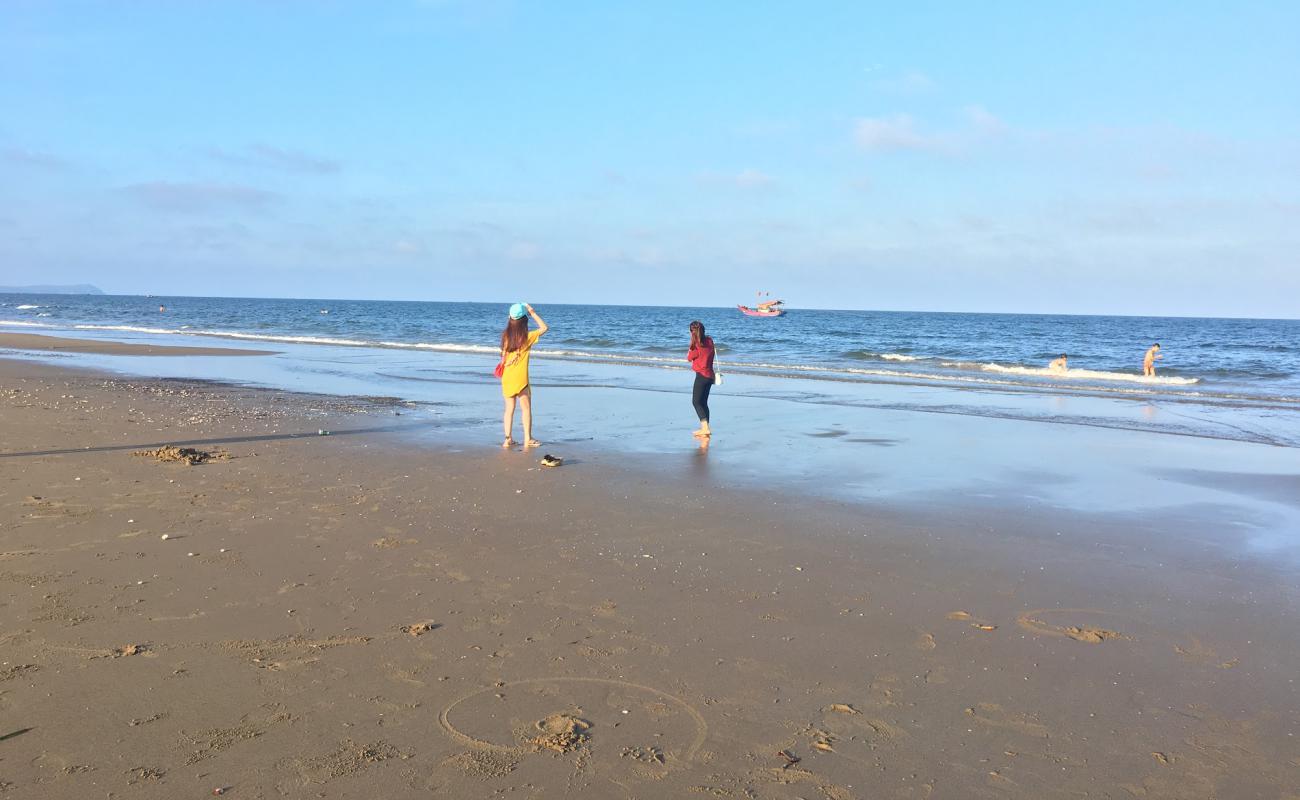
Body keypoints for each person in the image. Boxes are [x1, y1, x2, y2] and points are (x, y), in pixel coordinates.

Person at [499, 303, 548, 448]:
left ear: (510, 318)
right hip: (521, 378)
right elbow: (544, 328)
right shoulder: (528, 337)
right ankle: (528, 438)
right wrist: (532, 311)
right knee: (526, 408)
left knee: (509, 409)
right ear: (524, 320)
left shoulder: (505, 336)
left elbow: (504, 356)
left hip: (507, 377)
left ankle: (508, 439)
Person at [687, 320, 716, 438]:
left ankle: (705, 428)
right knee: (703, 402)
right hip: (710, 376)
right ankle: (705, 428)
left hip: (701, 376)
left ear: (692, 332)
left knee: (696, 402)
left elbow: (689, 358)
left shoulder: (696, 345)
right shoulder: (709, 340)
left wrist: (691, 345)